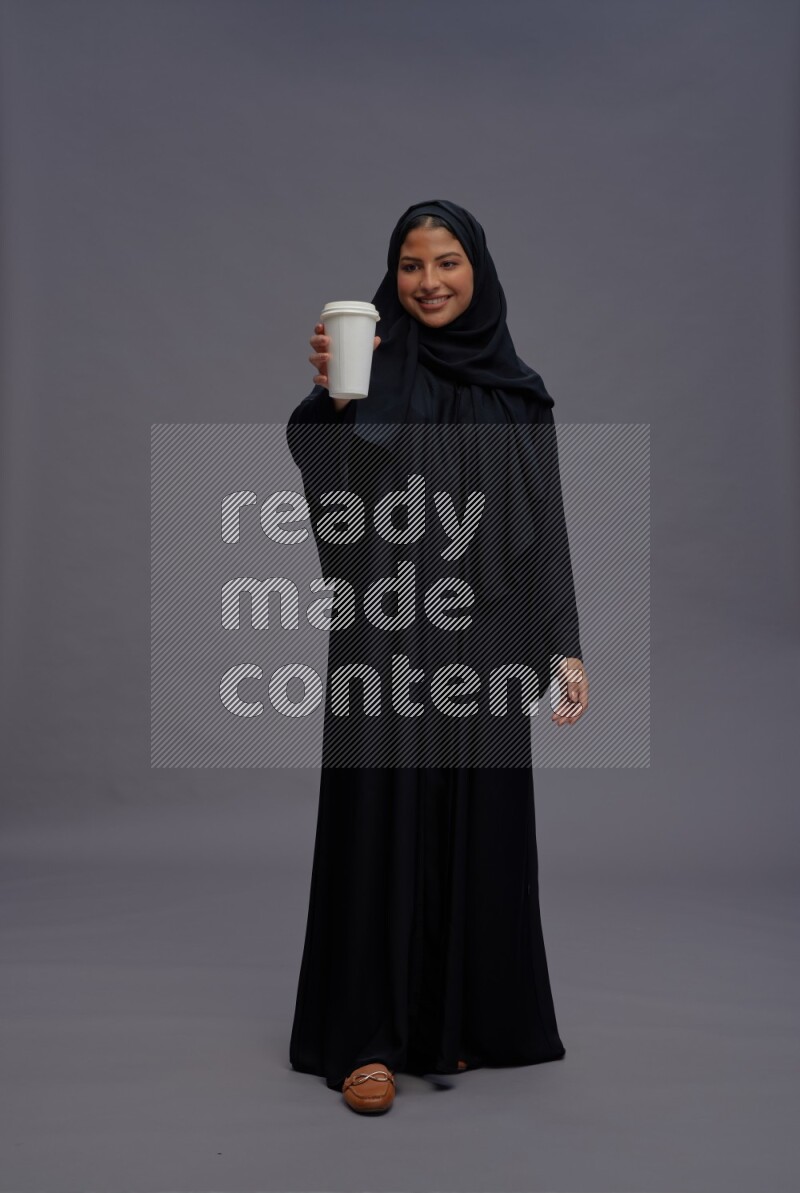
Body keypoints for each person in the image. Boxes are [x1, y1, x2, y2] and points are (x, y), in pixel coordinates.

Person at [285, 199, 588, 1115]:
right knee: (382, 818)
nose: (429, 282)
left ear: (477, 268)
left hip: (486, 638)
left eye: (446, 262)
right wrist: (339, 405)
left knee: (475, 818)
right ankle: (368, 1044)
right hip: (385, 631)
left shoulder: (518, 392)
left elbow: (547, 528)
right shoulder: (366, 372)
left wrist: (562, 643)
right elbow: (329, 485)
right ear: (393, 275)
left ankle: (456, 1023)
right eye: (411, 265)